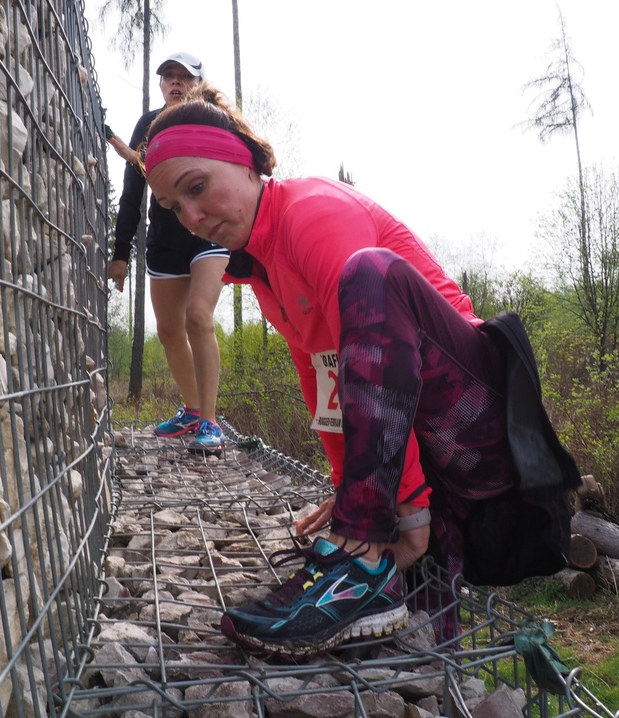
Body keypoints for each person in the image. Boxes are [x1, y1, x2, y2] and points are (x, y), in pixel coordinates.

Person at [141, 84, 582, 658]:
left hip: (479, 424)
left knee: (369, 273)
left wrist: (375, 514)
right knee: (424, 646)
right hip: (427, 450)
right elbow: (328, 385)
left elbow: (371, 335)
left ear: (246, 163)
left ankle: (361, 558)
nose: (192, 218)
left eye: (197, 188)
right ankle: (395, 608)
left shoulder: (311, 212)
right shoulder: (266, 269)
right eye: (175, 208)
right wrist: (354, 485)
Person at [106, 52, 228, 453]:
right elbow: (133, 193)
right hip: (164, 241)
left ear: (198, 84)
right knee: (169, 330)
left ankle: (210, 423)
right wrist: (120, 252)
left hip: (208, 232)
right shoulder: (148, 124)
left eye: (184, 77)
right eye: (169, 77)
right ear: (161, 85)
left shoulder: (210, 119)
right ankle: (192, 410)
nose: (176, 83)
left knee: (198, 318)